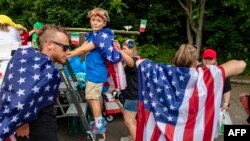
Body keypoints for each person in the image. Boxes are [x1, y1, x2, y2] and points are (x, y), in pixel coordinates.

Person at [135, 44, 246, 141]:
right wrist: (210, 70)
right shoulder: (206, 76)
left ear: (175, 59)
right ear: (195, 62)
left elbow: (139, 62)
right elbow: (241, 64)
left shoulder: (160, 73)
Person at [0, 24, 71, 141]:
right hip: (38, 130)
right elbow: (21, 97)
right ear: (49, 45)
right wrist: (22, 122)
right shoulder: (45, 70)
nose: (68, 52)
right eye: (65, 47)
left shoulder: (26, 61)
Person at [68, 8, 121, 136]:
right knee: (94, 98)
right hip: (93, 71)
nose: (95, 22)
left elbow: (83, 50)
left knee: (92, 98)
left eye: (98, 20)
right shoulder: (93, 35)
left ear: (104, 23)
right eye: (93, 20)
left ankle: (99, 125)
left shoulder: (100, 38)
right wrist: (70, 51)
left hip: (96, 72)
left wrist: (67, 55)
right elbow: (82, 47)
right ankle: (99, 121)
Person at [114, 39, 140, 141]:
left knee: (128, 122)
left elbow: (131, 63)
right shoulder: (129, 60)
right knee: (131, 121)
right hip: (130, 95)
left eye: (125, 48)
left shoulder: (134, 59)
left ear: (131, 48)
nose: (123, 50)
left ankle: (135, 138)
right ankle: (132, 137)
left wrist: (119, 50)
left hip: (132, 96)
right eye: (123, 48)